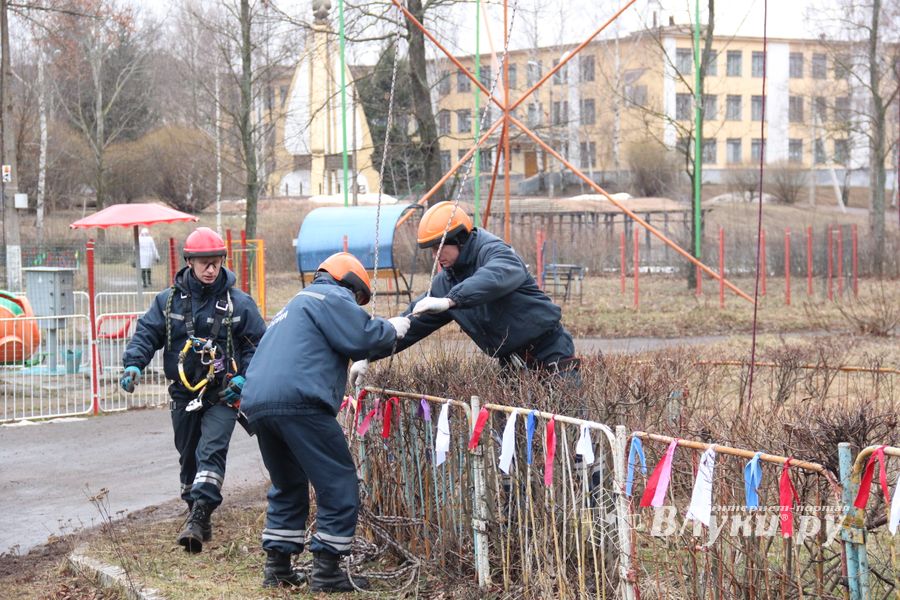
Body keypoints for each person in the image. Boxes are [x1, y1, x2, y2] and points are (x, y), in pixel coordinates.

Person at [239, 252, 411, 592]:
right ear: (349, 284)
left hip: (259, 405)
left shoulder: (293, 305)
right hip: (300, 403)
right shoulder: (331, 296)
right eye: (357, 299)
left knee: (288, 484)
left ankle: (277, 567)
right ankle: (327, 571)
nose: (355, 305)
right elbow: (364, 336)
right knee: (338, 482)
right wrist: (391, 328)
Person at [120, 226, 267, 553]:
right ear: (189, 262)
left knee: (211, 450)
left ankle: (200, 515)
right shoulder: (167, 302)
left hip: (223, 394)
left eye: (216, 262)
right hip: (183, 395)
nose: (211, 269)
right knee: (188, 456)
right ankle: (194, 509)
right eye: (204, 263)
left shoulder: (239, 304)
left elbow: (257, 346)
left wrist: (245, 378)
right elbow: (146, 334)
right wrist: (134, 364)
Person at [350, 201, 580, 385]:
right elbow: (411, 324)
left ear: (459, 239)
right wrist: (369, 354)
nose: (435, 256)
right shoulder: (446, 283)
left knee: (565, 423)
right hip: (511, 364)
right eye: (431, 250)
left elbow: (494, 276)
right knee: (508, 429)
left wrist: (452, 300)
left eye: (439, 247)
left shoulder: (495, 252)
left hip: (550, 352)